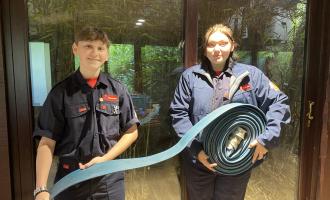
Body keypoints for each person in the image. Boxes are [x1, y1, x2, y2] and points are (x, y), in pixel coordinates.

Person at [169, 24, 290, 200]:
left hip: (236, 163)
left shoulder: (251, 75)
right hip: (200, 163)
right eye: (211, 44)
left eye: (223, 43)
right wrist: (197, 150)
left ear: (232, 46)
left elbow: (279, 102)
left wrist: (266, 139)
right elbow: (179, 114)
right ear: (205, 50)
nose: (217, 49)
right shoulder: (190, 77)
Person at [33, 27, 139, 200]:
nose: (95, 53)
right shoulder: (60, 93)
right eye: (88, 46)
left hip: (109, 178)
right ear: (75, 49)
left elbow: (132, 131)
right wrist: (40, 188)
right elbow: (46, 142)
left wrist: (105, 159)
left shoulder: (118, 90)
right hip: (71, 178)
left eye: (100, 48)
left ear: (107, 54)